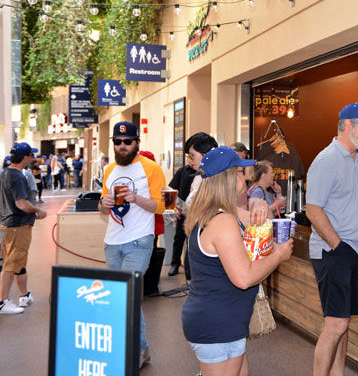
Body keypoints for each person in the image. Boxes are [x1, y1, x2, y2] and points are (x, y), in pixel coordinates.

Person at [181, 146, 293, 376]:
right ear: (230, 177)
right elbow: (244, 278)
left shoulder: (218, 212)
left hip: (225, 321)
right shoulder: (222, 222)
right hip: (218, 324)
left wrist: (258, 203)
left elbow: (261, 220)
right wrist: (279, 254)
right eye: (241, 171)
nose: (246, 176)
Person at [305, 103, 358, 376]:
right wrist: (339, 247)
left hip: (354, 253)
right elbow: (313, 210)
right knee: (336, 324)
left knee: (342, 322)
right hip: (333, 252)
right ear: (348, 125)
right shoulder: (326, 160)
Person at [98, 121, 166, 368]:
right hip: (112, 243)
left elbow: (160, 206)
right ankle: (140, 348)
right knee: (119, 298)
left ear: (137, 142)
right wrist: (102, 205)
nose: (122, 146)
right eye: (118, 142)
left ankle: (136, 349)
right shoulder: (109, 170)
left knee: (128, 295)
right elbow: (103, 209)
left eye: (127, 142)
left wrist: (136, 198)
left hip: (139, 241)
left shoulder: (151, 168)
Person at [0, 143, 47, 315]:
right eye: (31, 155)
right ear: (25, 157)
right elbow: (21, 203)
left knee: (19, 262)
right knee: (11, 264)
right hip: (17, 226)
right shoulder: (18, 176)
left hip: (6, 224)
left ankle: (24, 295)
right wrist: (38, 211)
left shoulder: (4, 173)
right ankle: (3, 302)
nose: (33, 158)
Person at [168, 132, 217, 278]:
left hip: (209, 243)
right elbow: (190, 210)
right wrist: (175, 203)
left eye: (192, 155)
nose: (189, 160)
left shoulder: (217, 179)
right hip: (197, 240)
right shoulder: (198, 177)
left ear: (206, 155)